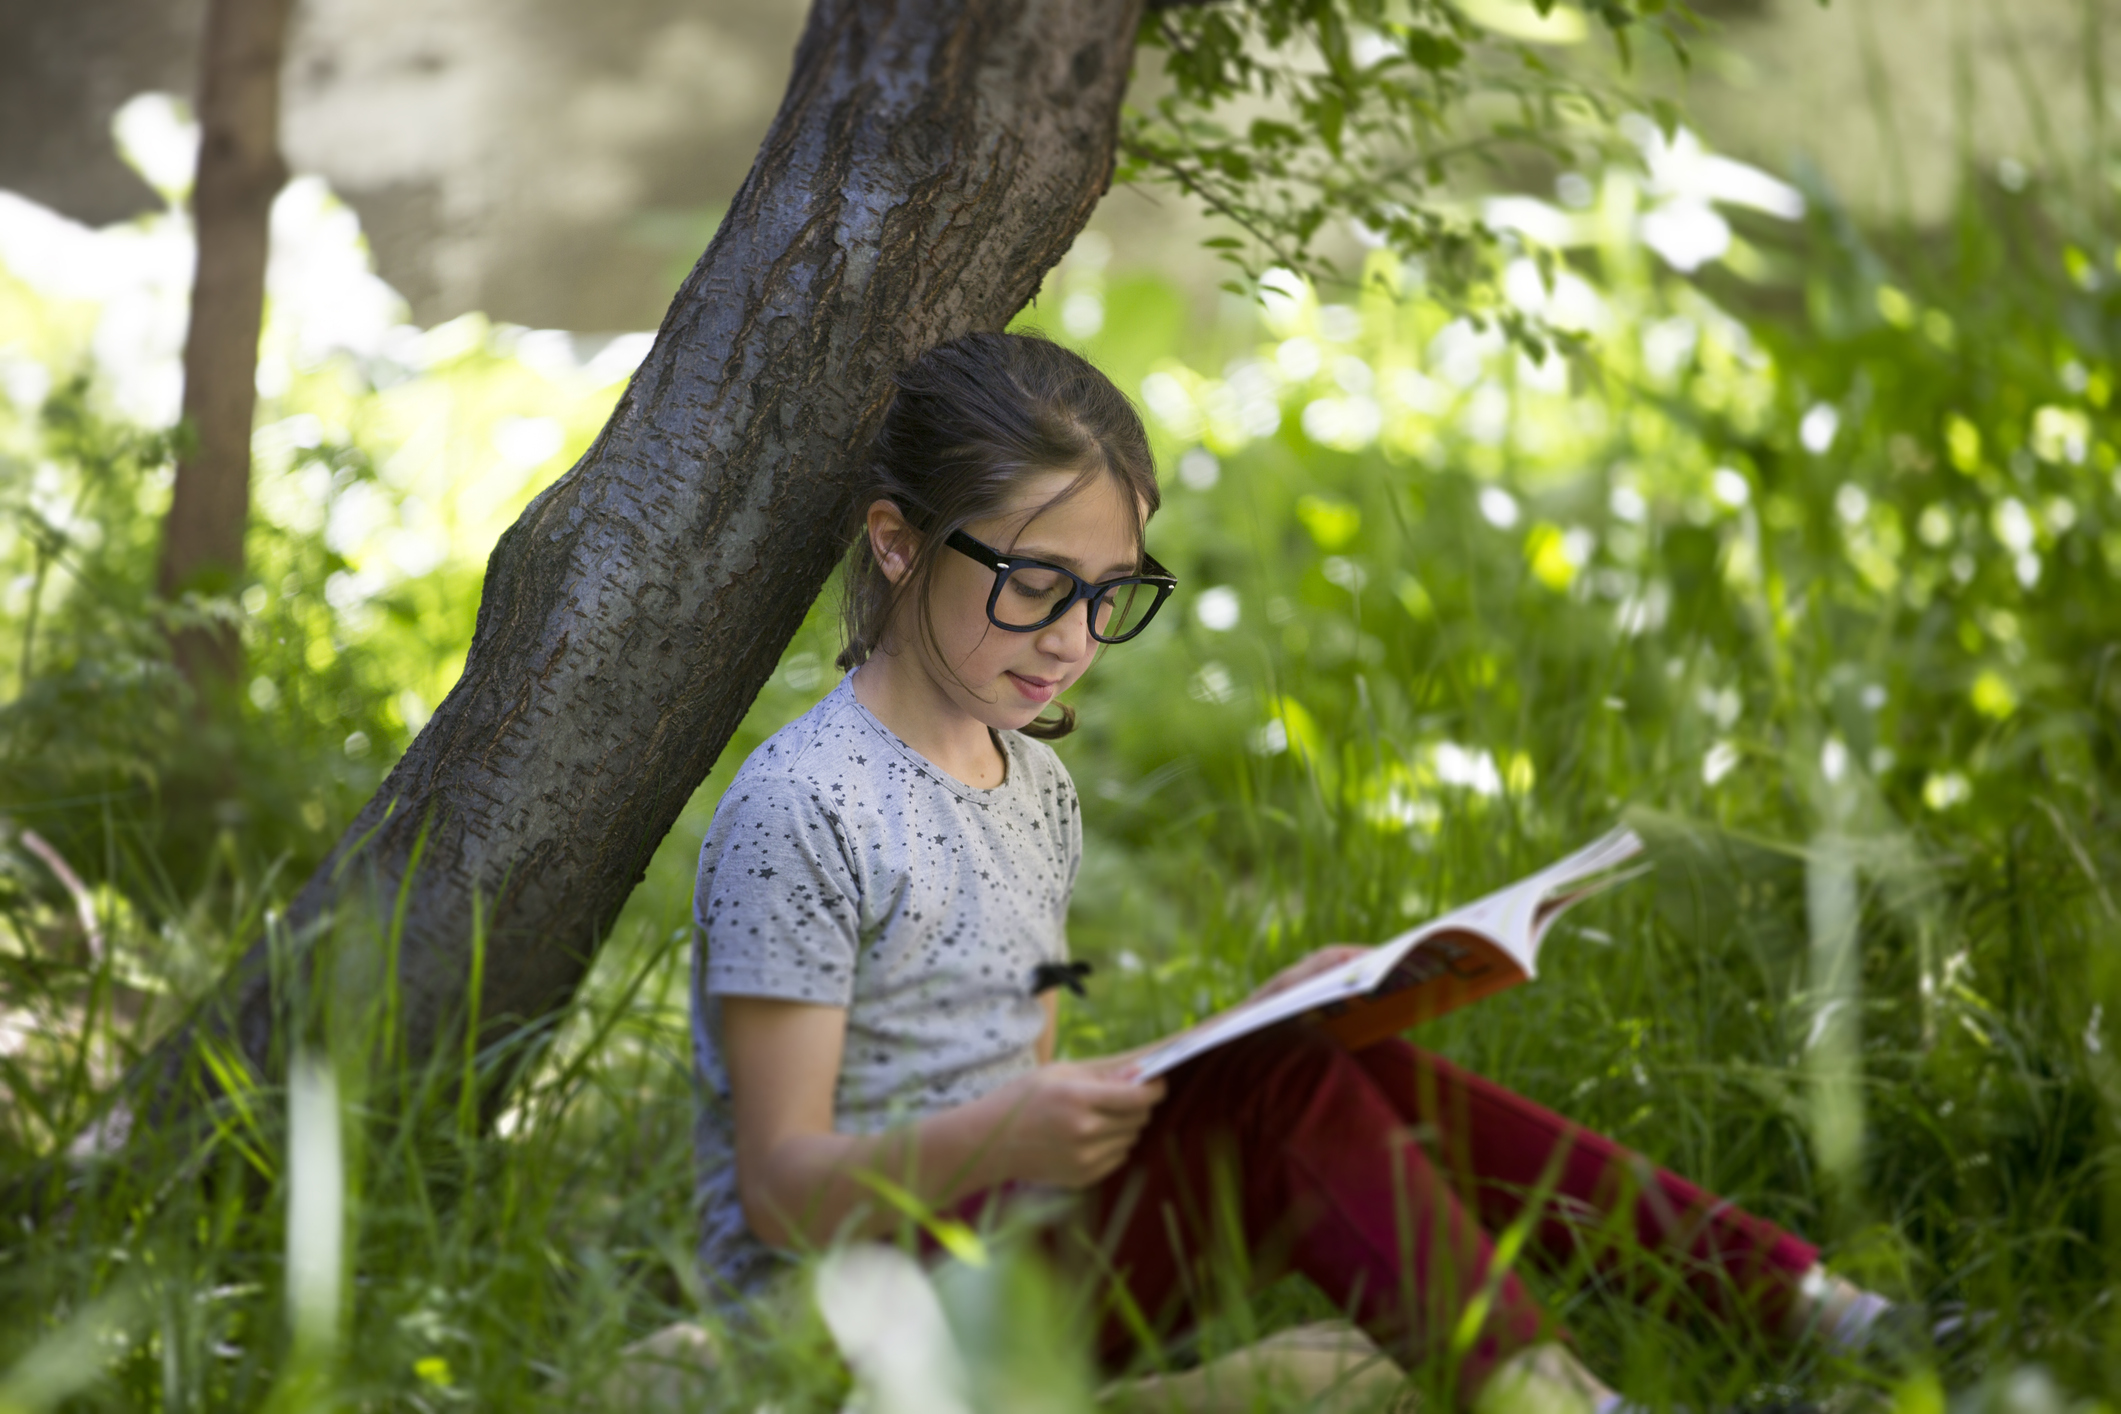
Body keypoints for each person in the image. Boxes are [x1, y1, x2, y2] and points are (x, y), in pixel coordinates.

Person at [690, 331, 1893, 1411]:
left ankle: (1820, 1311)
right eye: (1037, 585)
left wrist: (1238, 1031)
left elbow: (1025, 1081)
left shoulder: (1032, 781)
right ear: (898, 544)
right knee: (1278, 1094)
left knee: (1317, 1054)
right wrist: (1015, 1130)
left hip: (1003, 1237)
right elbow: (782, 1191)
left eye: (1110, 596)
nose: (1072, 637)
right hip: (857, 1326)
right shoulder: (805, 807)